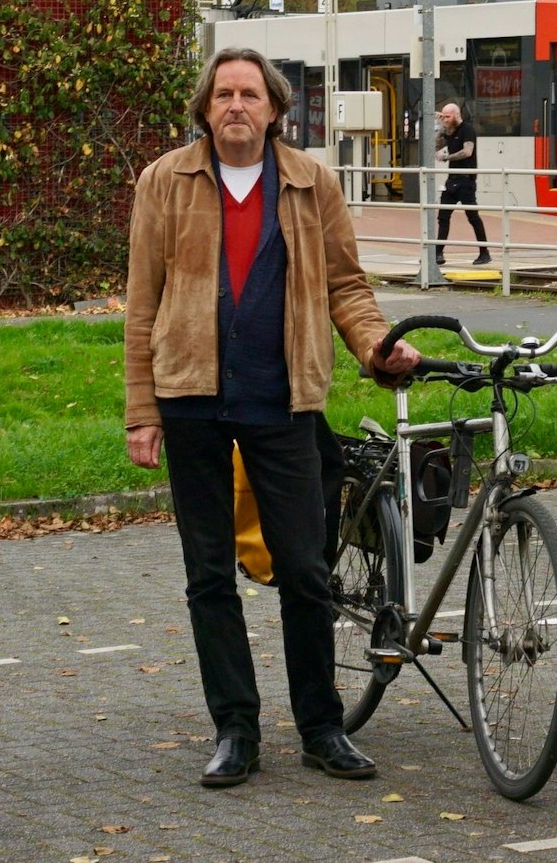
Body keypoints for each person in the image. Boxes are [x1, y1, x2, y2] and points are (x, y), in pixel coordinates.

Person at [124, 47, 421, 788]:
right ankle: (235, 729)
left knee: (305, 570)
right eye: (223, 93)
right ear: (204, 108)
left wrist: (377, 346)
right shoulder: (164, 180)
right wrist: (142, 410)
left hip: (284, 401)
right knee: (208, 575)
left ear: (275, 109)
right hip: (190, 399)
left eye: (249, 94)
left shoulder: (310, 182)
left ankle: (322, 728)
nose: (235, 105)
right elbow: (142, 303)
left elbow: (346, 285)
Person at [433, 102, 491, 266]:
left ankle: (484, 252)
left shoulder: (467, 130)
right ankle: (438, 253)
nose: (445, 119)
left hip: (466, 181)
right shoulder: (449, 131)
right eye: (443, 116)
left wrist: (447, 158)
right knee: (443, 217)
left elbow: (467, 152)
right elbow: (436, 146)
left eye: (447, 116)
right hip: (452, 180)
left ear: (456, 114)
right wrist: (441, 126)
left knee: (473, 217)